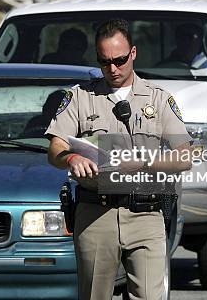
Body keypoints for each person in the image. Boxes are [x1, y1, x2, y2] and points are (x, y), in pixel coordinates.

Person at [46, 18, 192, 299]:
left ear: (133, 53)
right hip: (96, 214)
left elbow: (184, 157)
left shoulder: (158, 99)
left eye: (120, 60)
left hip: (146, 214)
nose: (113, 68)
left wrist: (144, 161)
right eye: (104, 61)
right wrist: (72, 157)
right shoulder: (80, 97)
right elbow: (55, 149)